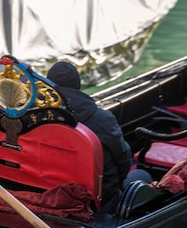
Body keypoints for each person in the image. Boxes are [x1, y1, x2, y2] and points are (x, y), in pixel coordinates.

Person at [47, 61, 132, 214]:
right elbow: (123, 161)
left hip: (49, 195)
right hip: (100, 204)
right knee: (142, 175)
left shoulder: (36, 117)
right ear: (78, 86)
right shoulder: (103, 119)